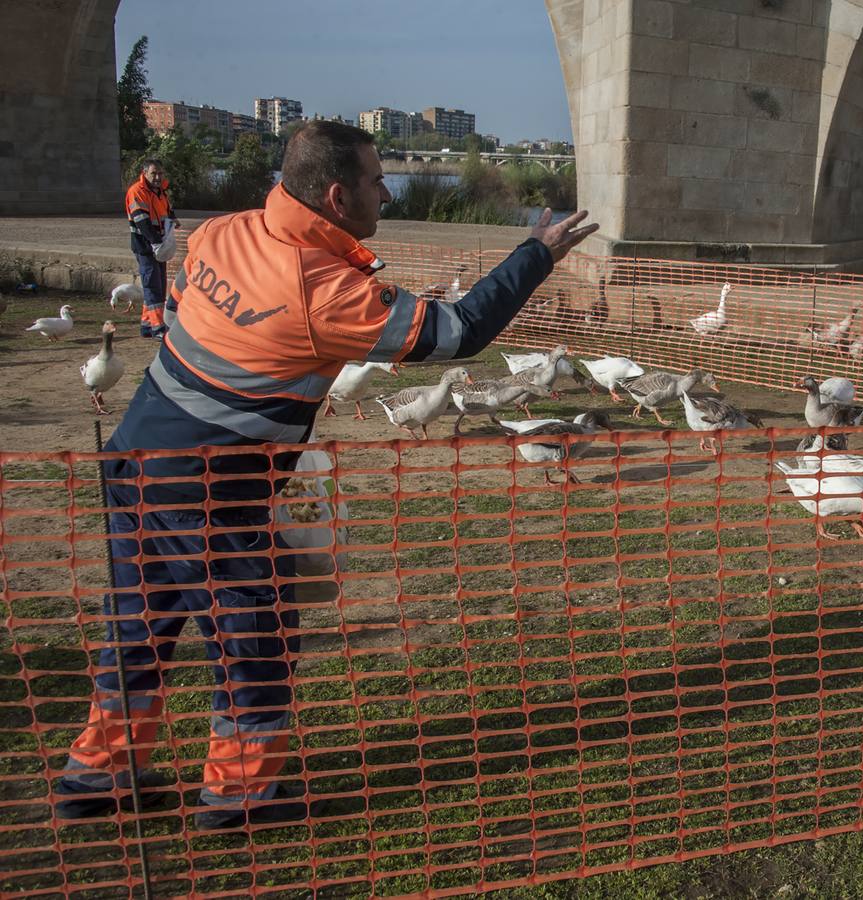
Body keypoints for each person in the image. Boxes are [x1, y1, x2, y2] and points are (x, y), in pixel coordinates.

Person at [55, 120, 597, 830]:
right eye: (378, 179)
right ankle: (239, 797)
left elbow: (194, 313)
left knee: (140, 628)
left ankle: (96, 778)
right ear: (339, 196)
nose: (386, 189)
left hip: (133, 463)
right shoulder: (319, 289)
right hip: (212, 491)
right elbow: (459, 332)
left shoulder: (226, 231)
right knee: (256, 630)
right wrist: (536, 253)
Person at [125, 159, 179, 338]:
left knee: (159, 284)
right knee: (152, 285)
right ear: (145, 173)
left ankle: (147, 325)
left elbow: (167, 212)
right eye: (154, 173)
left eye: (160, 173)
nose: (157, 177)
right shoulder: (137, 192)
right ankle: (158, 327)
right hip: (146, 246)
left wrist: (173, 220)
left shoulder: (161, 192)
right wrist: (155, 242)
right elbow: (141, 221)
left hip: (159, 245)